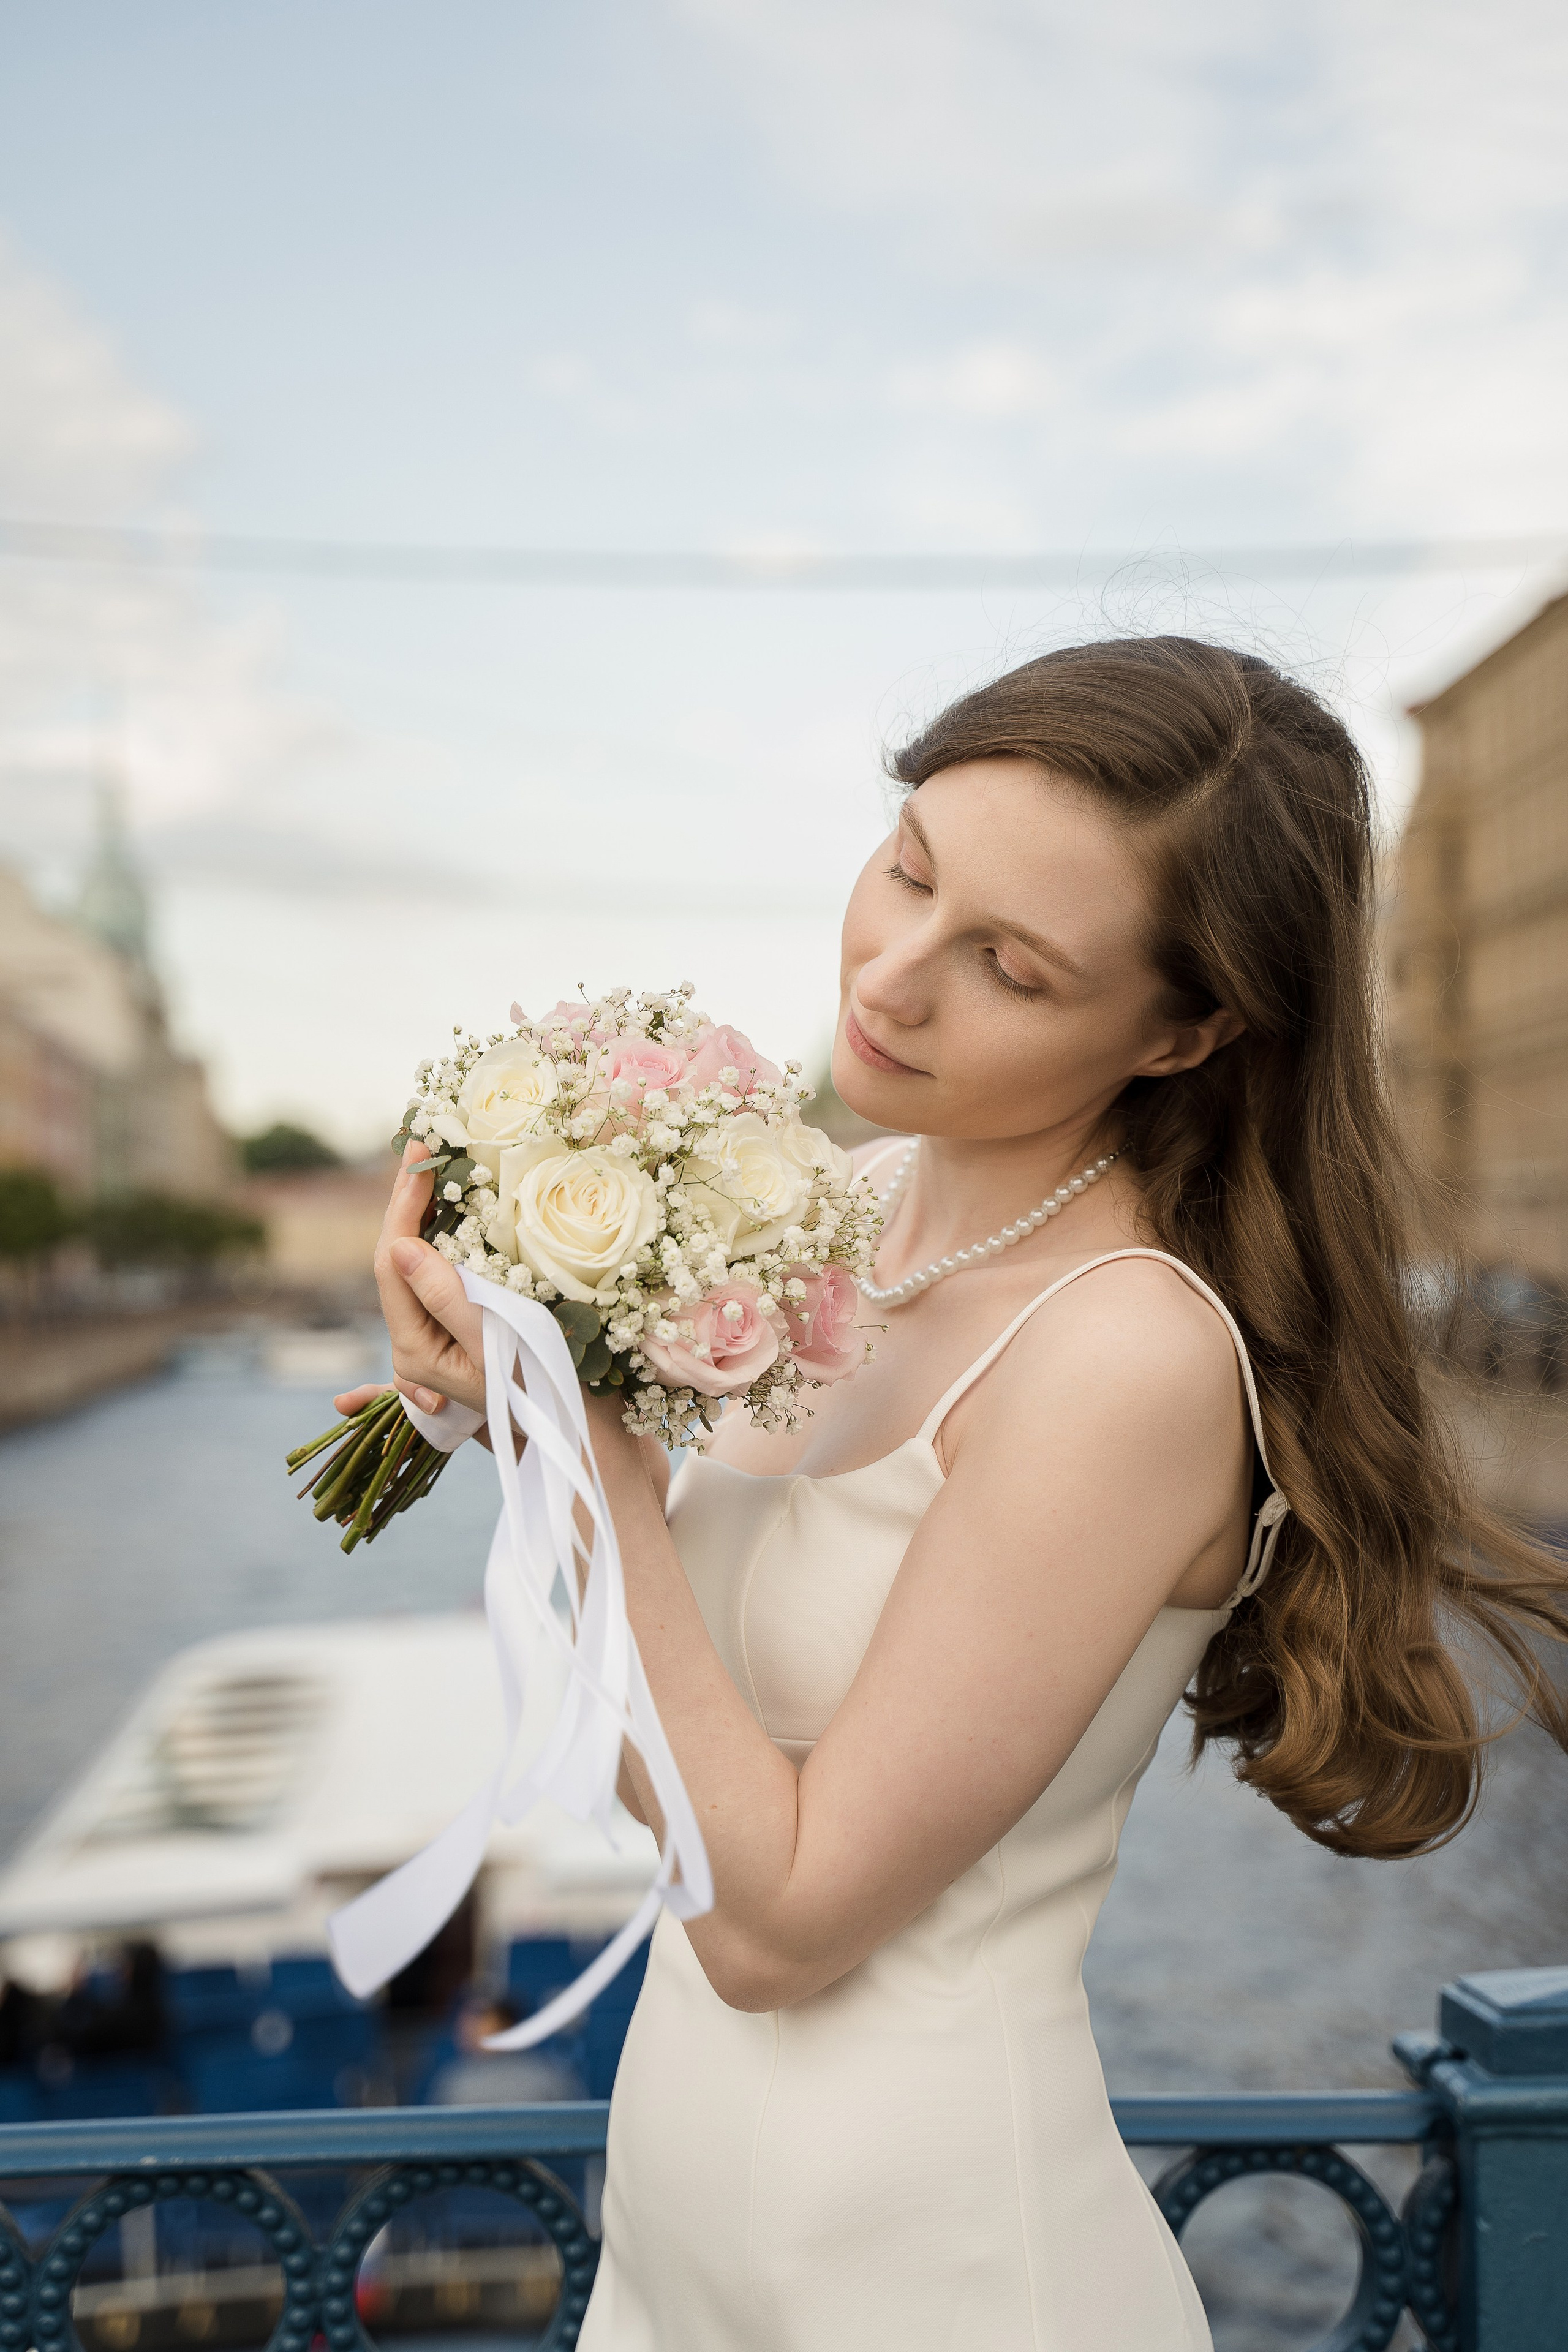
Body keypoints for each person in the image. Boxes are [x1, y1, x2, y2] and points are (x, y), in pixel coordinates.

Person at [337, 636, 1568, 2350]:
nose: (892, 979)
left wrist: (592, 1471)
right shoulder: (829, 1208)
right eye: (908, 869)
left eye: (1008, 962)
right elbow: (685, 1781)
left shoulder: (1124, 1355)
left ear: (1187, 1029)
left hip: (935, 2277)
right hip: (685, 2252)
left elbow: (779, 1928)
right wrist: (535, 1423)